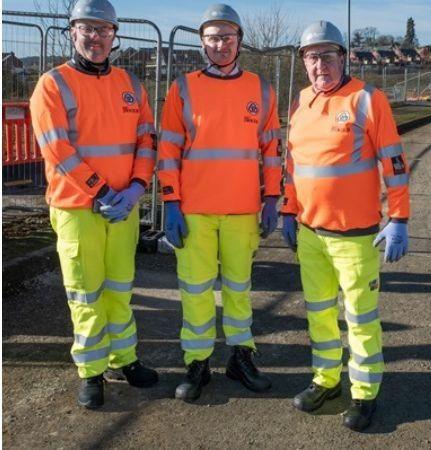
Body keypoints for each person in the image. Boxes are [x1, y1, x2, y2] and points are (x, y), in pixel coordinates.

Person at [29, 0, 159, 409]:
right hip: (78, 208)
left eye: (104, 30)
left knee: (120, 289)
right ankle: (91, 370)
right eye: (87, 28)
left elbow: (146, 140)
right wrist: (103, 192)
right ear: (72, 32)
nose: (96, 37)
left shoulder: (132, 85)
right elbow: (58, 150)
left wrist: (137, 188)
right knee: (86, 294)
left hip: (125, 206)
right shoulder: (52, 85)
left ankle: (125, 358)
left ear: (114, 35)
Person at [281, 20, 410, 431]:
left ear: (344, 57)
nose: (321, 64)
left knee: (359, 318)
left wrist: (399, 218)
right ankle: (326, 381)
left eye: (328, 55)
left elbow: (394, 163)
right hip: (310, 233)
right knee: (319, 314)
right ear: (304, 62)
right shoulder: (300, 102)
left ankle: (364, 394)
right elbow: (292, 166)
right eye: (312, 56)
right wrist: (288, 209)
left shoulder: (367, 100)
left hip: (355, 237)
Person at [157, 3, 281, 402]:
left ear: (239, 41)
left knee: (239, 288)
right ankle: (197, 363)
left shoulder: (261, 90)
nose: (220, 45)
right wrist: (170, 202)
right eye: (212, 37)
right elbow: (168, 150)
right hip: (194, 210)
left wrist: (272, 197)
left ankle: (241, 356)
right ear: (202, 43)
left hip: (243, 209)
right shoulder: (183, 88)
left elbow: (273, 150)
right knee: (194, 289)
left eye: (227, 37)